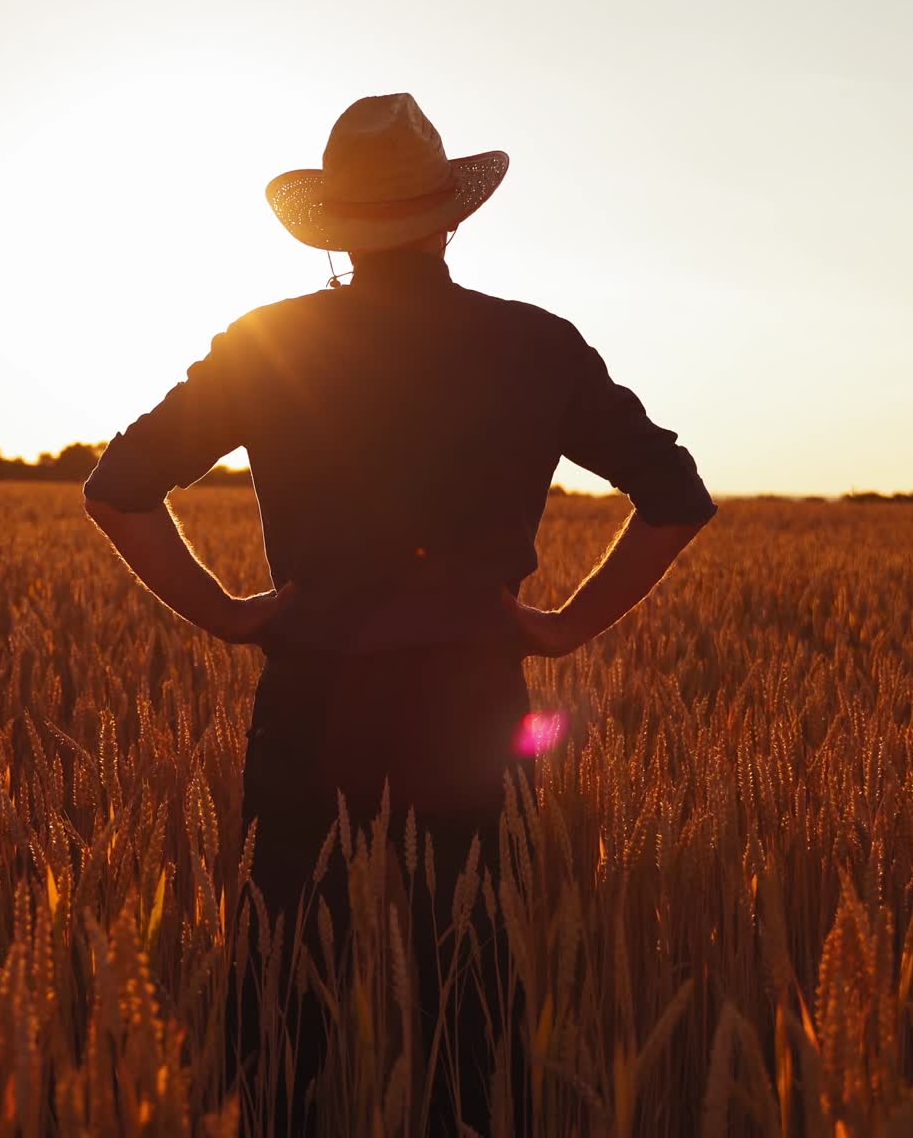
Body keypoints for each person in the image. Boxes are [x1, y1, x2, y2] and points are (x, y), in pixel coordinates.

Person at [82, 93, 717, 1135]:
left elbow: (117, 488)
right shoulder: (534, 344)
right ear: (447, 216)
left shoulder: (267, 341)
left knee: (279, 996)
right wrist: (563, 625)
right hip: (470, 702)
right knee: (475, 994)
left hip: (310, 700)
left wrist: (222, 611)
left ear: (333, 226)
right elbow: (675, 496)